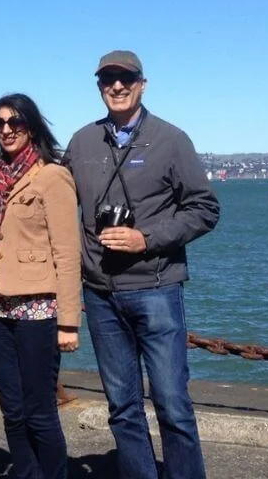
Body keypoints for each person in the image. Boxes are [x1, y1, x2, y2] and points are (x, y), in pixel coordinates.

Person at [63, 51, 220, 479]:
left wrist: (145, 238)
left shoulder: (171, 140)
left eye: (125, 78)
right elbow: (57, 205)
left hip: (156, 289)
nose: (116, 86)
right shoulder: (81, 142)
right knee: (122, 407)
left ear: (142, 84)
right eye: (107, 79)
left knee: (172, 404)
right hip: (100, 294)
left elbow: (205, 209)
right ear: (98, 87)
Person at [0, 94, 81, 479]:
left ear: (31, 127)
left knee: (39, 412)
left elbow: (67, 254)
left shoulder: (52, 177)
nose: (6, 130)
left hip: (38, 311)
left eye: (15, 122)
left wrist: (69, 322)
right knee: (12, 410)